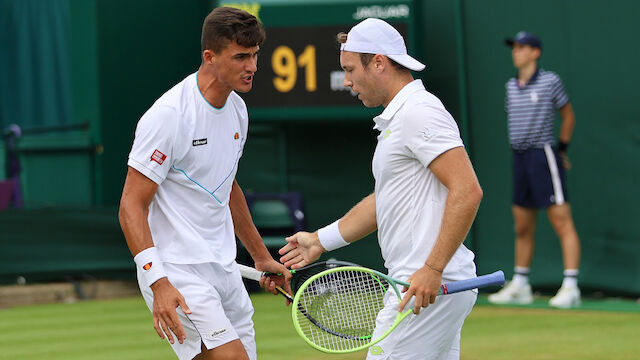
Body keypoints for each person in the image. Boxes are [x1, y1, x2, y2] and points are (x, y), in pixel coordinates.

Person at [279, 18, 483, 360]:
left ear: (378, 62)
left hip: (424, 286)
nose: (346, 81)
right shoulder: (400, 119)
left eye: (349, 70)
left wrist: (432, 269)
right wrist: (318, 241)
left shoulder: (419, 113)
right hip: (425, 285)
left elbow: (468, 189)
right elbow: (384, 201)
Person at [118, 7, 291, 360]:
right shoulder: (169, 116)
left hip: (224, 270)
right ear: (210, 57)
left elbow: (227, 186)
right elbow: (130, 207)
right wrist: (158, 281)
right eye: (241, 57)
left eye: (255, 55)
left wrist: (260, 256)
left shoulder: (238, 110)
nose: (253, 67)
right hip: (176, 273)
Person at [488, 31, 581, 309]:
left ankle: (571, 286)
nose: (516, 52)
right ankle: (521, 285)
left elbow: (568, 116)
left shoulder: (550, 81)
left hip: (544, 155)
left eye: (522, 47)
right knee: (522, 226)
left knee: (562, 222)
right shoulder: (510, 86)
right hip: (519, 158)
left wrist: (560, 150)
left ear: (535, 52)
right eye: (514, 47)